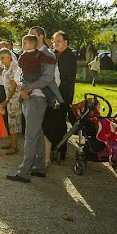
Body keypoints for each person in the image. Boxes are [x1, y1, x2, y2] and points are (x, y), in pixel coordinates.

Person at [7, 33, 64, 182]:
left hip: (38, 99)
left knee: (30, 136)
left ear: (40, 36)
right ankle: (38, 168)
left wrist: (28, 89)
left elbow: (52, 80)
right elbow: (18, 75)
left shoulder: (48, 55)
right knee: (37, 133)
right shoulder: (26, 55)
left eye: (33, 35)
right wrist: (22, 89)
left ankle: (24, 172)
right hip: (27, 98)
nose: (29, 40)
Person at [44, 30, 78, 161]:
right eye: (54, 41)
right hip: (55, 93)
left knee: (59, 123)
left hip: (62, 94)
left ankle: (60, 150)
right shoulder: (57, 54)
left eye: (58, 41)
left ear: (66, 42)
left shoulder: (68, 56)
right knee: (54, 122)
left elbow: (64, 78)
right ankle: (54, 148)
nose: (55, 43)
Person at [0, 48, 22, 155]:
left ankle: (15, 146)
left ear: (9, 56)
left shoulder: (14, 67)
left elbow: (14, 85)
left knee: (14, 121)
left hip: (15, 98)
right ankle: (11, 143)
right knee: (11, 120)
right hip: (10, 98)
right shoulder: (7, 66)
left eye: (2, 58)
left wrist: (7, 100)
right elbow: (2, 74)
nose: (1, 60)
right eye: (0, 59)